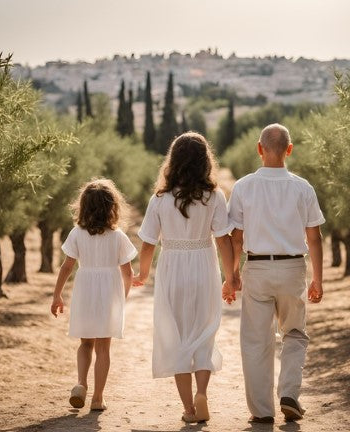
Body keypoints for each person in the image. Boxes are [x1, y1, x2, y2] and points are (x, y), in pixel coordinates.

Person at [132, 132, 236, 423]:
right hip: (204, 265)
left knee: (176, 336)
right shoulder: (214, 196)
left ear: (173, 161)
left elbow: (149, 242)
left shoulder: (160, 199)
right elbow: (223, 240)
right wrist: (230, 278)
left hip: (173, 268)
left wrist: (142, 273)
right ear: (205, 162)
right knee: (204, 332)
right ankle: (202, 391)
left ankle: (189, 408)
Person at [226, 123, 325, 424]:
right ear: (289, 150)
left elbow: (236, 238)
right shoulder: (302, 187)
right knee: (294, 333)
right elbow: (315, 236)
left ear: (259, 149)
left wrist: (232, 275)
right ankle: (290, 393)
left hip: (257, 267)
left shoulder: (243, 187)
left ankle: (262, 411)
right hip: (293, 267)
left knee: (256, 340)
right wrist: (318, 278)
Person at [51, 179, 137, 411]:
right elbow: (128, 273)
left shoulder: (77, 233)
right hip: (109, 292)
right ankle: (98, 398)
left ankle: (81, 384)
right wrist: (123, 297)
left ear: (84, 206)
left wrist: (57, 295)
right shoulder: (118, 236)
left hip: (85, 289)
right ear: (113, 207)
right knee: (103, 348)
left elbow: (67, 266)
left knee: (85, 343)